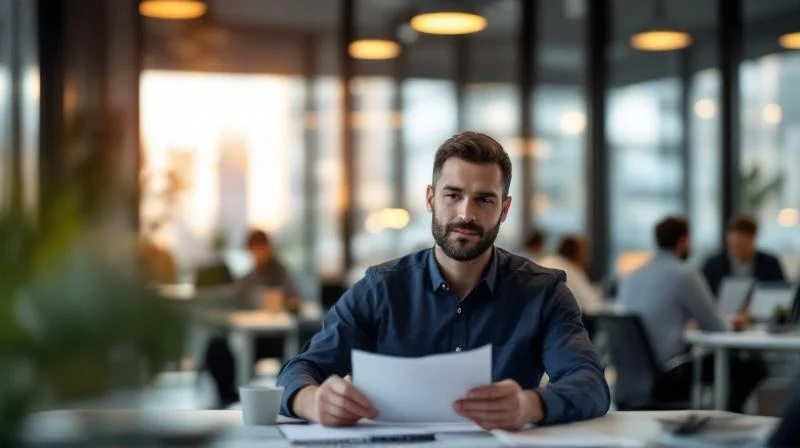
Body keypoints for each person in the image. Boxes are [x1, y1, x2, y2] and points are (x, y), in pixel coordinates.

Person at [276, 131, 609, 429]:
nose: (466, 214)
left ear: (504, 209)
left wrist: (529, 405)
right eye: (453, 195)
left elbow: (590, 384)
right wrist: (312, 400)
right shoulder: (380, 289)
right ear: (431, 199)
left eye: (484, 199)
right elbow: (300, 370)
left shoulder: (544, 292)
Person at [618, 216, 766, 412]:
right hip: (671, 372)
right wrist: (735, 321)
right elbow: (717, 325)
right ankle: (727, 425)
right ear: (683, 241)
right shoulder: (684, 275)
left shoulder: (631, 276)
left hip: (633, 374)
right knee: (751, 368)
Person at [204, 229, 302, 407]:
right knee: (216, 347)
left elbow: (295, 299)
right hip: (250, 334)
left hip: (276, 337)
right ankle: (228, 396)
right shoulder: (251, 276)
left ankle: (279, 397)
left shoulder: (281, 272)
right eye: (253, 250)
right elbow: (233, 294)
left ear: (268, 248)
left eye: (260, 248)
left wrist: (286, 304)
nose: (258, 253)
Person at [702, 215, 785, 296]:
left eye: (745, 244)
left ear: (753, 239)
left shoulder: (770, 264)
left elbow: (780, 293)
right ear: (728, 240)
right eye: (737, 245)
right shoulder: (713, 265)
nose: (740, 249)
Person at [539, 235, 603, 314]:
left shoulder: (545, 261)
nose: (587, 257)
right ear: (577, 252)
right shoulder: (571, 268)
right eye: (585, 251)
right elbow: (593, 305)